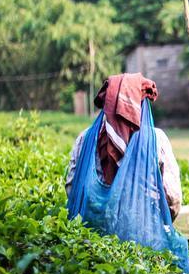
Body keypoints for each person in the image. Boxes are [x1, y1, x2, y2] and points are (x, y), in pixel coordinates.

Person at [65, 73, 182, 220]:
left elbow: (71, 188)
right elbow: (172, 197)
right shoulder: (156, 139)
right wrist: (162, 226)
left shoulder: (85, 138)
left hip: (93, 233)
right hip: (142, 231)